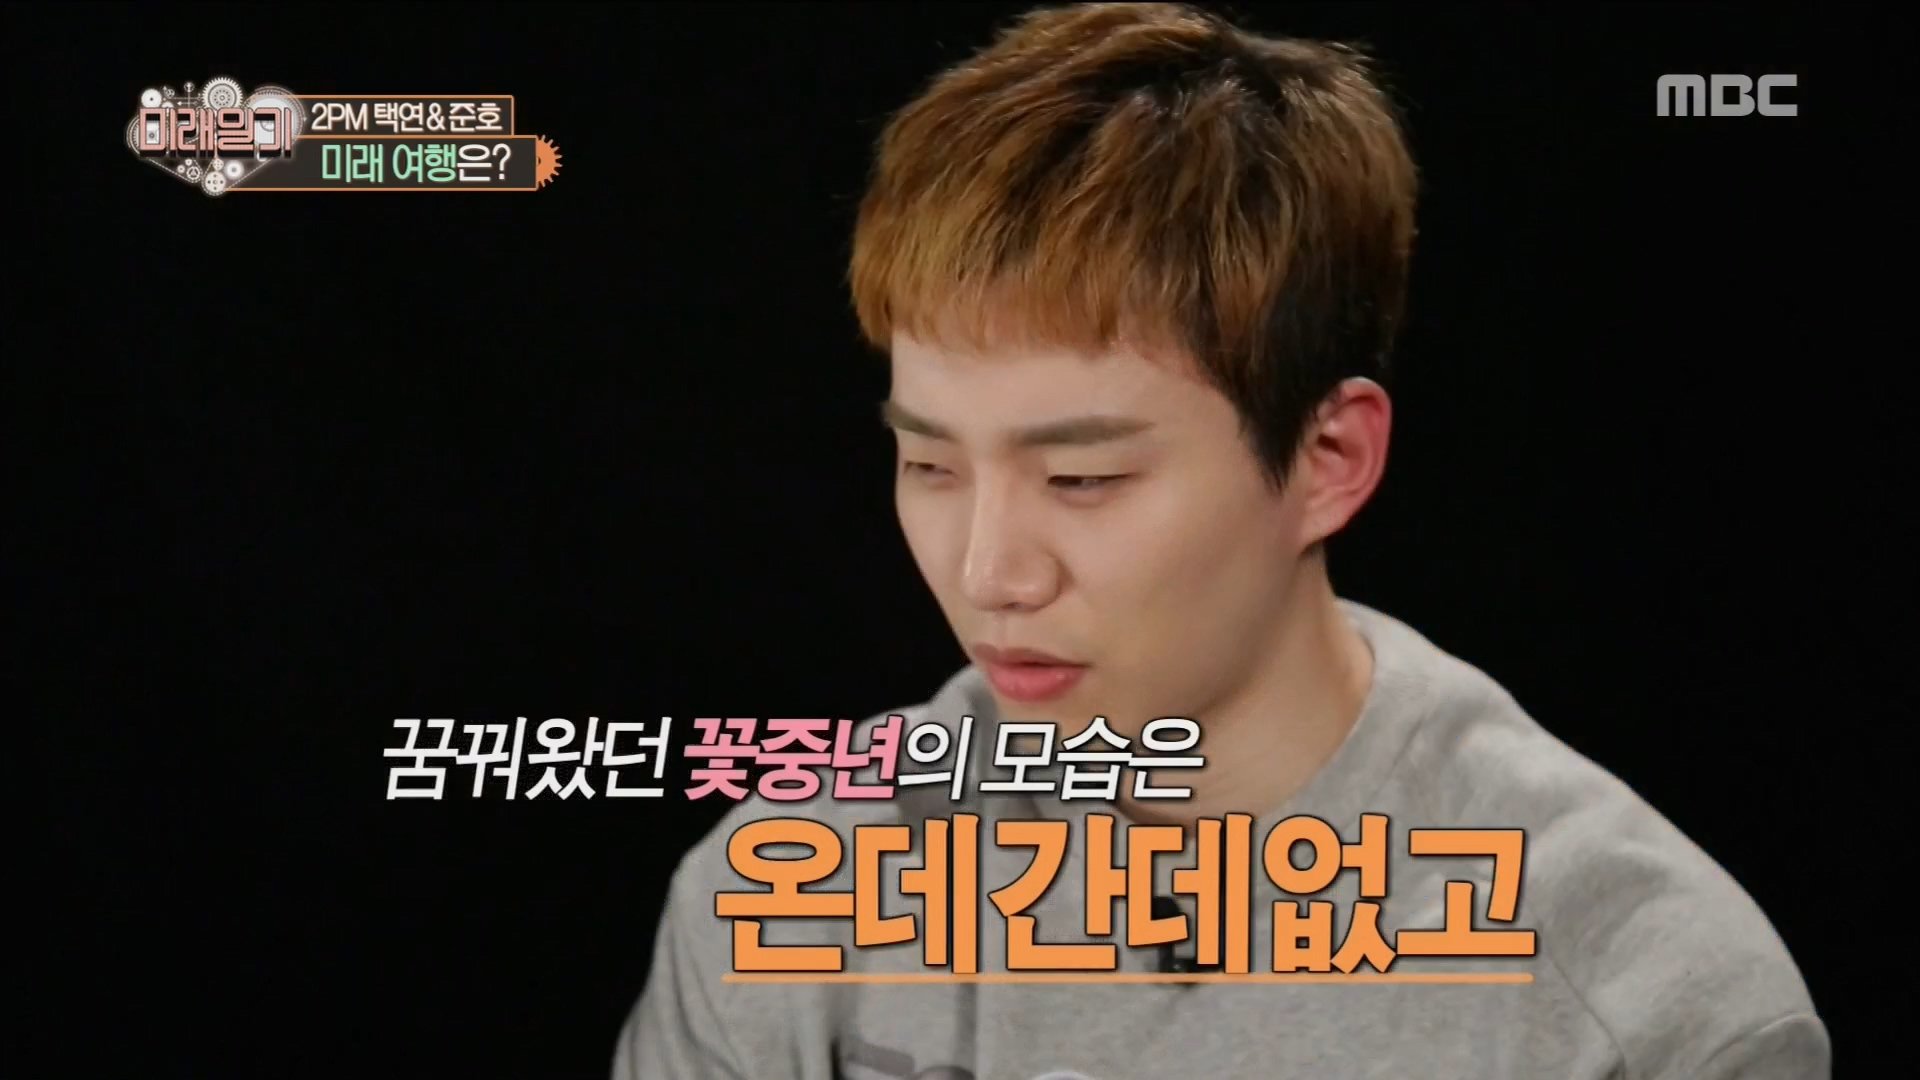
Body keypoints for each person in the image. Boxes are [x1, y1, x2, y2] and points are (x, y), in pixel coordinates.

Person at [612, 3, 1828, 1077]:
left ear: (1329, 460)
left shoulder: (1640, 999)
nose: (988, 574)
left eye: (1082, 478)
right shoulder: (787, 896)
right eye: (930, 464)